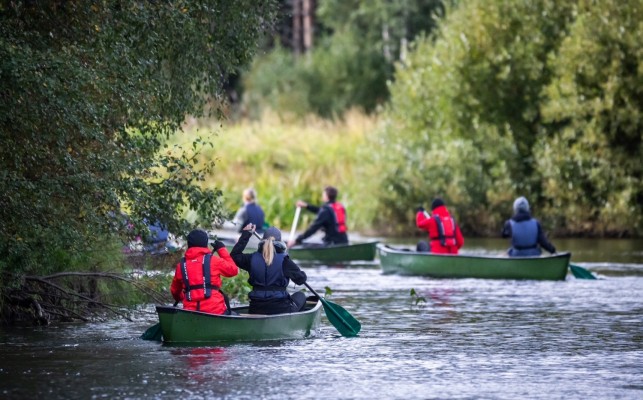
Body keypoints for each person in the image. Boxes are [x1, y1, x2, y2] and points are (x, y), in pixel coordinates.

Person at [231, 224, 308, 315]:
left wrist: (246, 235)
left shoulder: (251, 259)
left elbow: (235, 255)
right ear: (280, 242)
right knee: (301, 296)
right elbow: (301, 279)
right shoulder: (285, 261)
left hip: (256, 308)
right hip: (280, 309)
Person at [170, 229, 238, 314]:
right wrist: (221, 249)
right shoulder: (214, 261)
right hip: (215, 311)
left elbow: (175, 291)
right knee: (236, 315)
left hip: (189, 312)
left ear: (188, 244)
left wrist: (183, 297)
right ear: (206, 244)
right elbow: (233, 270)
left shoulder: (180, 266)